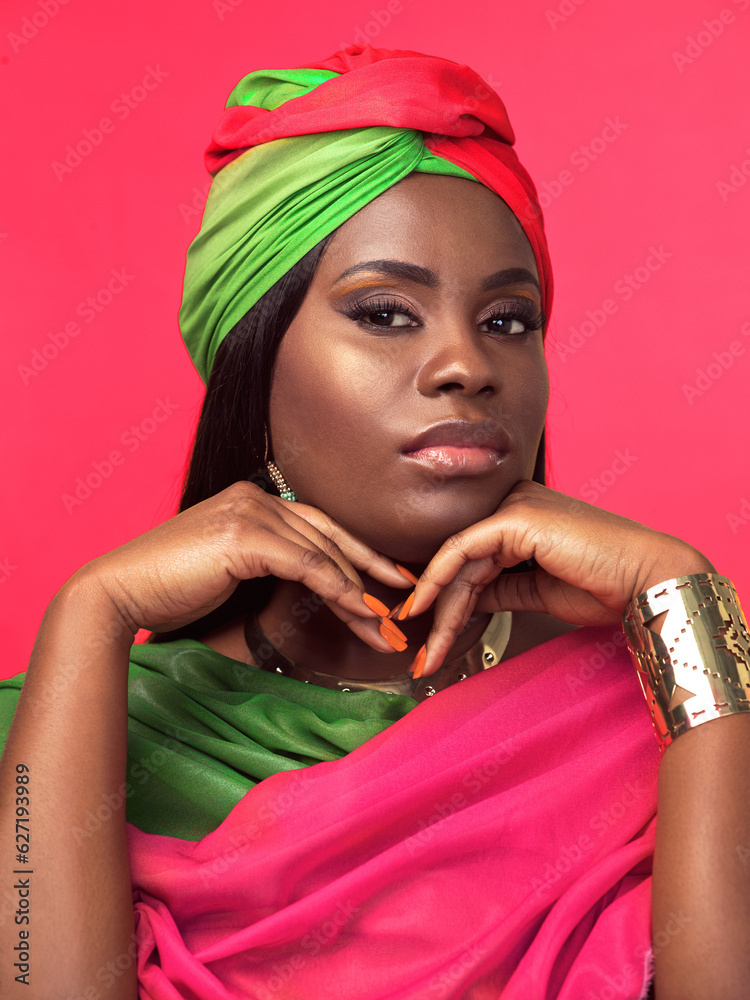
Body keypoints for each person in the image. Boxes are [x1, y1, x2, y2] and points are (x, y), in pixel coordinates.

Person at [1, 43, 749, 1000]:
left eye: (509, 321)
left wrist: (682, 599)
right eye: (388, 313)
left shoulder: (675, 702)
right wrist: (90, 612)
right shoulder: (77, 729)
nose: (466, 365)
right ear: (256, 362)